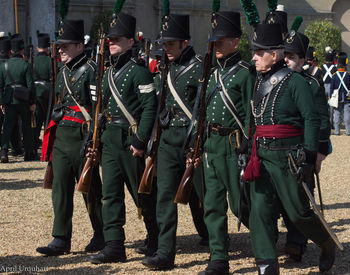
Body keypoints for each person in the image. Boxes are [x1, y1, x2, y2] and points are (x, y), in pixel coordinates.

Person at [246, 23, 336, 274]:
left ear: (274, 55)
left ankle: (326, 243)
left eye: (259, 52)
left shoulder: (296, 82)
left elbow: (311, 118)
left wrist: (308, 156)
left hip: (288, 158)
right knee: (260, 213)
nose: (253, 56)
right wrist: (247, 149)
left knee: (299, 213)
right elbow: (254, 118)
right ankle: (267, 265)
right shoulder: (257, 81)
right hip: (261, 155)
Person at [89, 11, 159, 264]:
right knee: (110, 194)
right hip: (109, 139)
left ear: (131, 41)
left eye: (117, 39)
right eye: (110, 39)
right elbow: (99, 109)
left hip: (130, 140)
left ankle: (155, 238)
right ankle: (114, 244)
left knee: (142, 192)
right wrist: (93, 139)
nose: (112, 42)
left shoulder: (139, 71)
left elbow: (150, 107)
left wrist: (140, 140)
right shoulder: (106, 73)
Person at [142, 12, 209, 270]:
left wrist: (198, 143)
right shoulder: (167, 68)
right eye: (164, 44)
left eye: (171, 43)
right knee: (165, 196)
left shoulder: (201, 67)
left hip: (193, 140)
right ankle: (165, 252)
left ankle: (216, 243)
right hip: (168, 139)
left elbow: (202, 107)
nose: (166, 48)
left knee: (205, 197)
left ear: (184, 41)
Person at [36, 19, 104, 256]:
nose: (60, 50)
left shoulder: (92, 71)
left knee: (90, 188)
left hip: (82, 135)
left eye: (65, 46)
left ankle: (101, 233)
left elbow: (97, 109)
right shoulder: (63, 71)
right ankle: (60, 237)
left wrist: (93, 141)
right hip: (62, 135)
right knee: (60, 188)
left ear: (79, 46)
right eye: (59, 46)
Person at [198, 10, 255, 275]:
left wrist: (247, 144)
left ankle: (264, 239)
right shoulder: (210, 73)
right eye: (214, 41)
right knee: (213, 204)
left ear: (235, 41)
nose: (216, 46)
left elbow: (250, 115)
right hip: (212, 144)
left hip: (234, 145)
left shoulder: (246, 73)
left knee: (240, 204)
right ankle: (218, 258)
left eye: (221, 41)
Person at [283, 29, 331, 262]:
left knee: (301, 199)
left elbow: (322, 118)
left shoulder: (311, 83)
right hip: (278, 148)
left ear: (302, 60)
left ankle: (296, 242)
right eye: (285, 55)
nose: (286, 60)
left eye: (292, 56)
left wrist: (319, 152)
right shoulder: (274, 81)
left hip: (303, 148)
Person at [0, 37, 36, 163]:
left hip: (9, 99)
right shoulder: (26, 65)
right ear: (22, 51)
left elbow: (0, 86)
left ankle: (4, 152)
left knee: (8, 126)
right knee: (26, 126)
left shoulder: (4, 66)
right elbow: (31, 85)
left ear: (11, 51)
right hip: (24, 99)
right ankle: (28, 153)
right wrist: (32, 102)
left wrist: (1, 102)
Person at [32, 33, 51, 157]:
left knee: (36, 123)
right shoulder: (51, 60)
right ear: (48, 47)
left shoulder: (31, 60)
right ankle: (47, 148)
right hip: (49, 93)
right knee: (48, 122)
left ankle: (33, 148)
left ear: (38, 47)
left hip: (34, 93)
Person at [330, 52, 350, 135]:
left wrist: (331, 97)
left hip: (337, 98)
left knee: (337, 114)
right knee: (347, 114)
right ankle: (348, 131)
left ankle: (337, 131)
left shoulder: (334, 75)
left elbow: (332, 87)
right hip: (347, 97)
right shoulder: (348, 75)